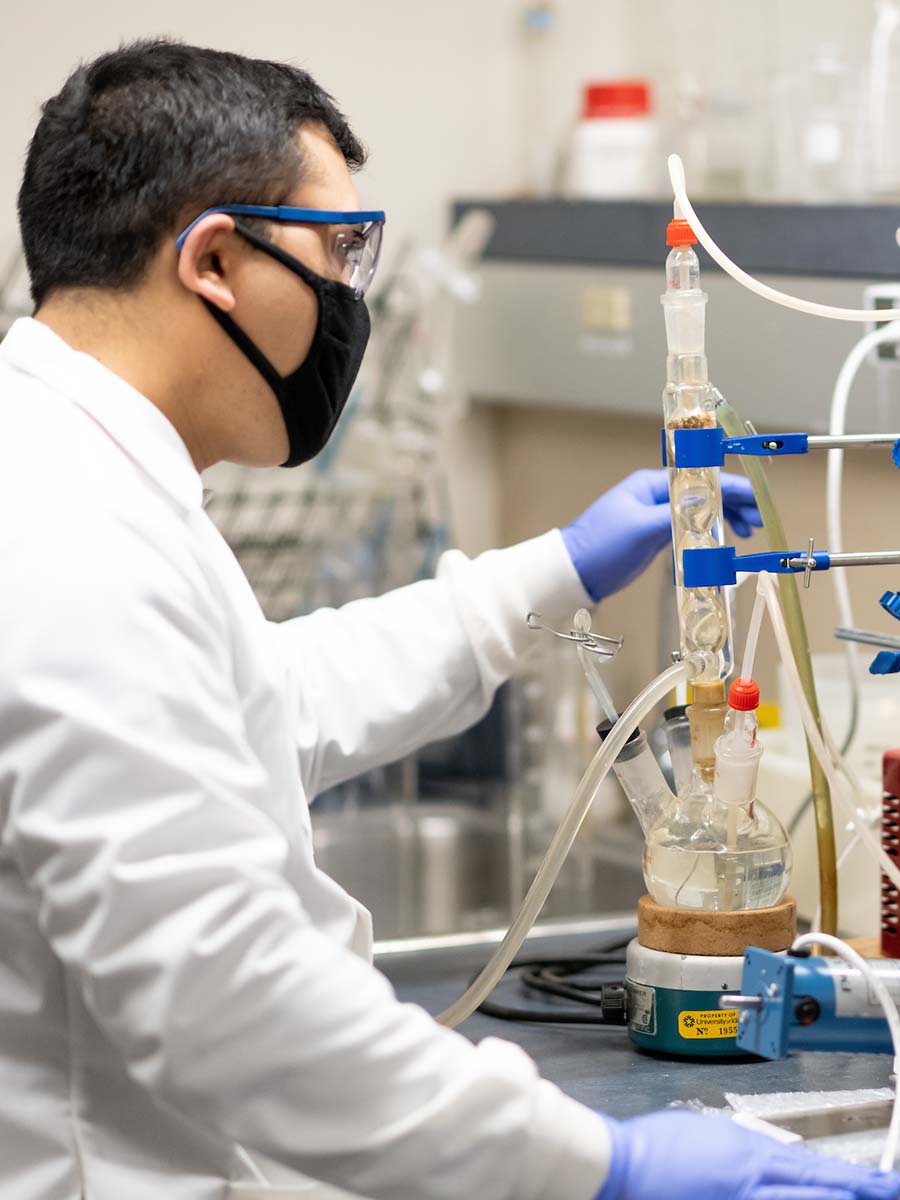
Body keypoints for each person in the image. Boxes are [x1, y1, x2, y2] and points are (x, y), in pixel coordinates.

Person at [0, 38, 894, 1200]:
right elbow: (233, 1007)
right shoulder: (74, 535)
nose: (347, 302)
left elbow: (268, 701)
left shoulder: (76, 478)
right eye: (337, 252)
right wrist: (600, 1162)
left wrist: (553, 572)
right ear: (215, 259)